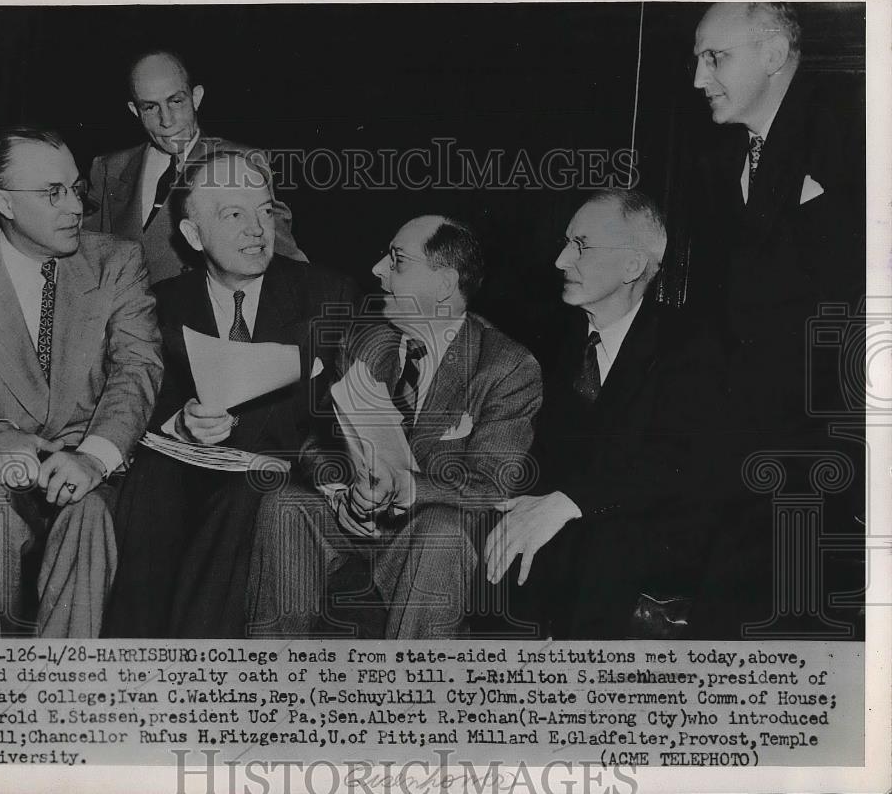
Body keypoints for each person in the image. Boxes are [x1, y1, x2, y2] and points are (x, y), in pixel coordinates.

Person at [247, 215, 543, 639]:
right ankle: (271, 683)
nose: (377, 270)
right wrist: (342, 492)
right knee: (284, 505)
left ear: (443, 285)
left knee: (444, 531)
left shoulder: (505, 366)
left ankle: (411, 696)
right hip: (355, 524)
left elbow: (494, 485)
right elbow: (318, 443)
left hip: (425, 537)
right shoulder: (363, 342)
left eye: (397, 260)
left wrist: (408, 488)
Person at [103, 149, 357, 638]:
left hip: (275, 480)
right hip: (181, 477)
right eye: (234, 214)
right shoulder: (164, 304)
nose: (257, 230)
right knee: (150, 485)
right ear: (193, 235)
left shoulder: (327, 296)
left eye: (264, 211)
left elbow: (343, 416)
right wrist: (182, 421)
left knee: (248, 495)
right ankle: (134, 670)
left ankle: (204, 675)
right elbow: (140, 396)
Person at [0, 127, 162, 637]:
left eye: (76, 188)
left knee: (89, 516)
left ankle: (61, 692)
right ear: (4, 202)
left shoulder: (117, 261)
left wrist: (96, 455)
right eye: (52, 193)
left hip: (91, 467)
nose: (75, 206)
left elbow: (137, 369)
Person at [687, 3, 865, 635]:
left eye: (716, 57)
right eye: (697, 58)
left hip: (831, 443)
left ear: (772, 54)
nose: (699, 78)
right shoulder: (723, 162)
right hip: (751, 439)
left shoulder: (859, 122)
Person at [485, 190, 725, 638]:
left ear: (633, 266)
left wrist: (569, 501)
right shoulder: (550, 340)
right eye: (565, 242)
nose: (560, 260)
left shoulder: (689, 346)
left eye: (581, 245)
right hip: (561, 548)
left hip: (641, 546)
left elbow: (677, 464)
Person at [84, 49, 306, 284]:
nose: (167, 121)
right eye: (150, 107)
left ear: (196, 97)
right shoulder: (109, 168)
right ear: (134, 110)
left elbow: (287, 261)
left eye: (176, 101)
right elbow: (88, 260)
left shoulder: (242, 162)